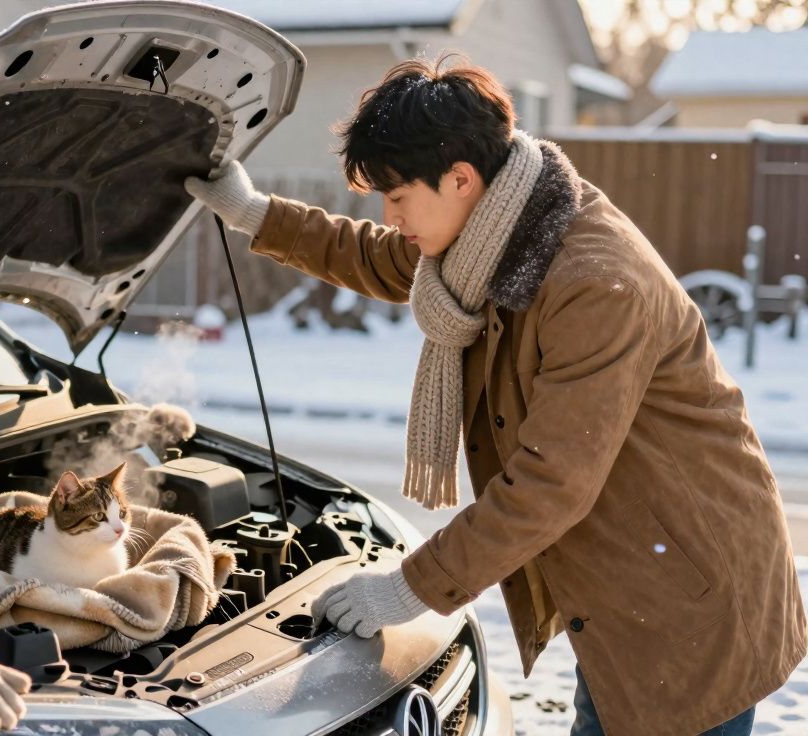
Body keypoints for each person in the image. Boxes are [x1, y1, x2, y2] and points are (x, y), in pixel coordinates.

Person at [184, 56, 806, 736]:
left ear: (460, 179)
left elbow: (551, 484)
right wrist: (253, 213)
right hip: (623, 593)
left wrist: (409, 588)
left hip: (689, 600)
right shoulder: (492, 234)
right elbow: (373, 256)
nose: (390, 218)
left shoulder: (594, 283)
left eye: (397, 197)